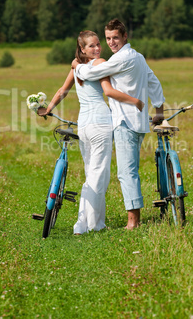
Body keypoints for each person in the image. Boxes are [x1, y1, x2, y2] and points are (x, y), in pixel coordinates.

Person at [38, 30, 144, 235]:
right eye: (92, 46)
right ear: (82, 49)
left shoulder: (76, 67)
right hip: (100, 123)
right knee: (98, 174)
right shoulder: (98, 63)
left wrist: (48, 108)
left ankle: (96, 221)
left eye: (98, 44)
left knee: (93, 172)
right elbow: (108, 91)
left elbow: (62, 91)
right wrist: (135, 101)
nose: (97, 48)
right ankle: (84, 224)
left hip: (84, 125)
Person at [72, 19, 165, 230]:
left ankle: (133, 222)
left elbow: (89, 73)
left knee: (126, 172)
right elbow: (153, 81)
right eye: (108, 38)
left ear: (125, 37)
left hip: (125, 121)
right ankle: (133, 218)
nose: (111, 42)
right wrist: (158, 109)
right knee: (129, 169)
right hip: (138, 122)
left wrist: (76, 64)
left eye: (115, 37)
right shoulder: (138, 57)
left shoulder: (120, 59)